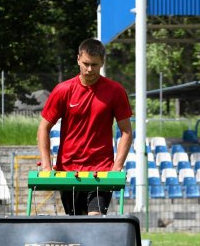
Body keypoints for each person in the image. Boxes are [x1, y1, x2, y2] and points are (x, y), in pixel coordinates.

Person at [37, 38, 133, 215]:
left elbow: (126, 131)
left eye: (95, 65)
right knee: (76, 223)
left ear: (102, 62)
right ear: (78, 59)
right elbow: (43, 127)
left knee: (94, 220)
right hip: (68, 170)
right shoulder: (63, 90)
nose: (89, 69)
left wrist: (117, 165)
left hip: (101, 170)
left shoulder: (115, 91)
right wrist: (46, 165)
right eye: (86, 63)